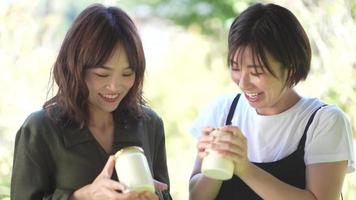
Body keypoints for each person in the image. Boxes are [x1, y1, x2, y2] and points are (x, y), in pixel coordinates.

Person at [189, 3, 355, 200]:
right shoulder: (224, 110)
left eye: (256, 72)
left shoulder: (324, 121)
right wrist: (215, 163)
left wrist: (244, 168)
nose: (243, 83)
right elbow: (197, 197)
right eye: (235, 68)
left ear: (291, 68)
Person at [11, 4, 172, 200]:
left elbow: (165, 193)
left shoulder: (149, 124)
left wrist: (156, 196)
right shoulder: (40, 129)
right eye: (102, 74)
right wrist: (81, 196)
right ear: (75, 67)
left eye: (127, 74)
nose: (115, 86)